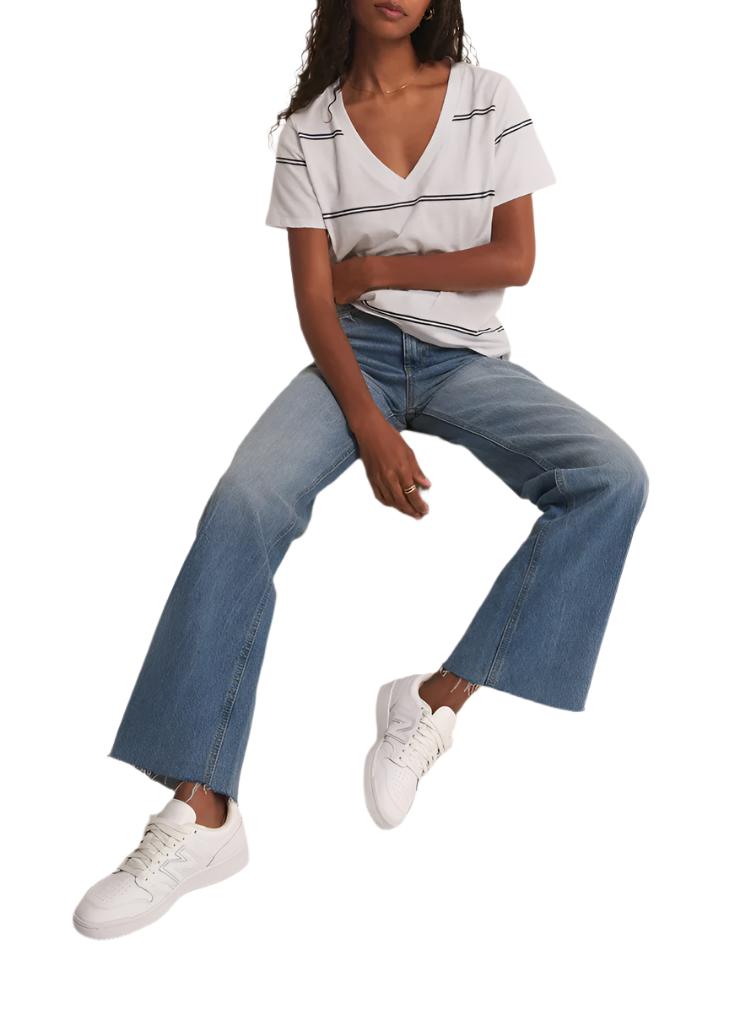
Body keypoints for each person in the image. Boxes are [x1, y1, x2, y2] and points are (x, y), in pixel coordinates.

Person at [73, 0, 649, 940]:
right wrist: (369, 423)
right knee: (242, 503)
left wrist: (376, 270)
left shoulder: (488, 98)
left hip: (466, 360)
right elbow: (314, 301)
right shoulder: (309, 131)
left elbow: (516, 258)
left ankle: (434, 701)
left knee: (612, 476)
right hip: (355, 359)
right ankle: (203, 810)